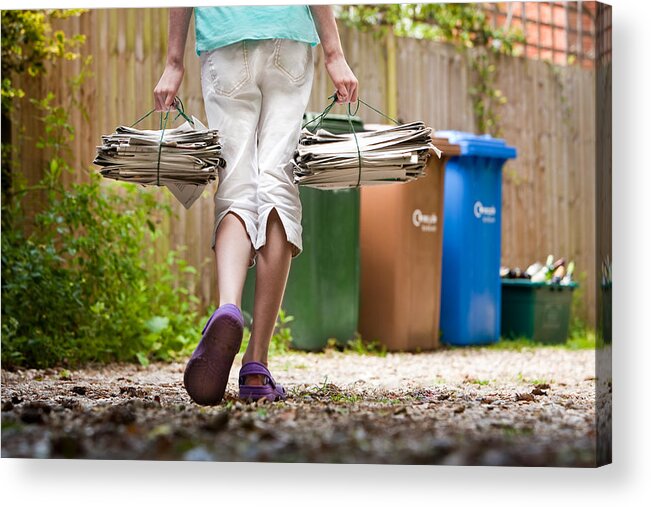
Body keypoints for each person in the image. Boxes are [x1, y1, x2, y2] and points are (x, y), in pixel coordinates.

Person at [153, 5, 358, 405]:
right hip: (288, 38)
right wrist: (336, 56)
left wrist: (173, 62)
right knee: (278, 183)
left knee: (235, 183)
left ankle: (227, 308)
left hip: (226, 36)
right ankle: (256, 366)